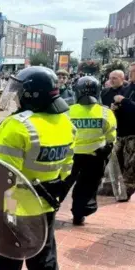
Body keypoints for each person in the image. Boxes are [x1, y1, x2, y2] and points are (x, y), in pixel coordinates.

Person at [0, 66, 76, 269]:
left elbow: (4, 178)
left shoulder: (17, 126)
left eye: (20, 91)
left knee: (6, 262)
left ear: (31, 94)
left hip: (14, 208)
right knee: (44, 261)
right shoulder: (66, 123)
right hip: (46, 206)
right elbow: (66, 170)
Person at [62, 76, 116, 225]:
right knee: (86, 187)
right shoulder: (106, 113)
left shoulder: (67, 111)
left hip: (70, 156)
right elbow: (111, 137)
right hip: (95, 156)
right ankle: (79, 215)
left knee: (62, 184)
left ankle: (49, 213)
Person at [111, 63, 135, 201]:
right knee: (115, 161)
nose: (130, 74)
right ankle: (113, 189)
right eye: (130, 71)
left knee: (131, 166)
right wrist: (115, 107)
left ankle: (127, 191)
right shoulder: (127, 88)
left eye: (133, 71)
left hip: (133, 134)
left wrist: (124, 101)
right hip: (121, 132)